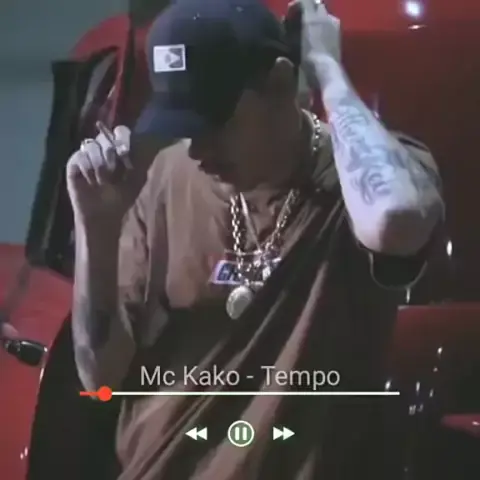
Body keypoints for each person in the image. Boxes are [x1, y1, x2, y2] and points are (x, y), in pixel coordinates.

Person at [66, 0, 444, 478]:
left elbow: (396, 217)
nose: (198, 149)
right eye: (183, 128)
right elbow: (99, 374)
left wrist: (327, 69)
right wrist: (96, 229)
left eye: (216, 123)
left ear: (280, 84)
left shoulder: (362, 178)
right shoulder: (166, 177)